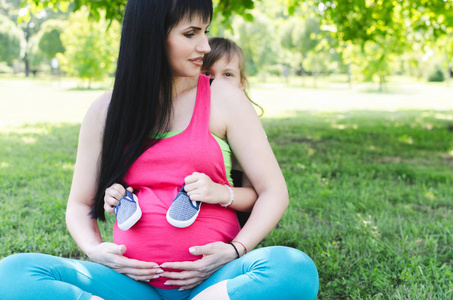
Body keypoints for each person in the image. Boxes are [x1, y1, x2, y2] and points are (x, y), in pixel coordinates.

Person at [0, 1, 319, 300]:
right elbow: (80, 203)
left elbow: (273, 191)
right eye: (191, 34)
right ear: (151, 37)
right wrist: (95, 251)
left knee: (293, 270)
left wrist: (236, 249)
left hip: (214, 281)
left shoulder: (224, 99)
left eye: (205, 32)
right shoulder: (104, 112)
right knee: (13, 274)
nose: (205, 47)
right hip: (129, 286)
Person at [104, 37, 259, 228]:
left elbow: (257, 196)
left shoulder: (246, 127)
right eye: (207, 74)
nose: (216, 82)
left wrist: (222, 193)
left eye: (227, 74)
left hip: (232, 222)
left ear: (242, 82)